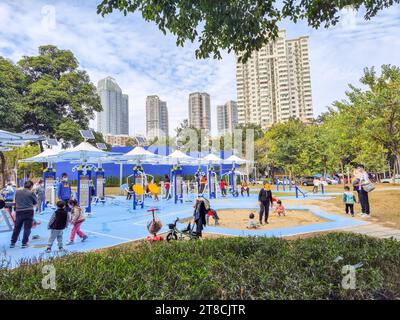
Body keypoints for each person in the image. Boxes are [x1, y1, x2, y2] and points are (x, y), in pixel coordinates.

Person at [10, 180, 38, 248]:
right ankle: (24, 243)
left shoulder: (18, 192)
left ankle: (13, 242)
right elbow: (35, 202)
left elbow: (16, 201)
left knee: (17, 227)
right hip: (28, 211)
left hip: (19, 211)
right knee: (27, 228)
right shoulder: (31, 193)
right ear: (31, 186)